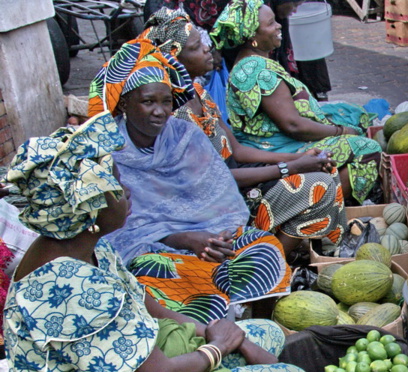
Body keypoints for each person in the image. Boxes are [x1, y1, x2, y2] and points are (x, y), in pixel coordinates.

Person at [2, 113, 302, 371]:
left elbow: (156, 310)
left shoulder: (88, 244)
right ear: (89, 205)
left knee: (266, 334)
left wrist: (233, 339)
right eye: (118, 187)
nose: (129, 192)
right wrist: (220, 346)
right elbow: (157, 369)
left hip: (156, 355)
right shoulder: (72, 288)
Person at [87, 39, 296, 324]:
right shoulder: (107, 152)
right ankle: (205, 338)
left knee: (264, 246)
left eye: (165, 101)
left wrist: (215, 239)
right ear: (124, 103)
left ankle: (259, 325)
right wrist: (184, 239)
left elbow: (216, 198)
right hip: (144, 250)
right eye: (148, 101)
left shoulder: (186, 136)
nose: (160, 111)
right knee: (164, 277)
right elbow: (116, 230)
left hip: (207, 237)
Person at [139, 7, 345, 258]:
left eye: (201, 42)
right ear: (173, 61)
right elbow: (211, 180)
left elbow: (238, 150)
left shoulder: (198, 94)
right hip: (213, 205)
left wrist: (301, 160)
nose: (206, 49)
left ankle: (305, 251)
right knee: (319, 185)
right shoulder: (173, 116)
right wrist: (291, 168)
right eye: (194, 48)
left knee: (322, 168)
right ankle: (271, 262)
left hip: (235, 182)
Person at [211, 0, 383, 205]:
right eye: (271, 24)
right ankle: (323, 205)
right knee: (367, 147)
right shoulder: (259, 71)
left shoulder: (248, 63)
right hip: (279, 151)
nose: (279, 26)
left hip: (272, 145)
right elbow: (293, 125)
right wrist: (342, 131)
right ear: (252, 37)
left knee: (351, 117)